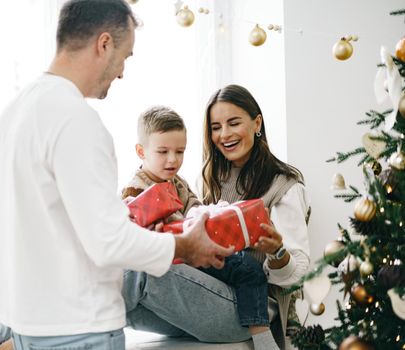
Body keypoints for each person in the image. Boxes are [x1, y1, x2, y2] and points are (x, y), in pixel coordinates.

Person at [0, 1, 233, 350]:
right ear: (104, 44)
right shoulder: (75, 119)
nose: (121, 72)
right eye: (126, 56)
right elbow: (108, 242)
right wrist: (185, 246)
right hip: (79, 329)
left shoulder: (15, 112)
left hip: (31, 325)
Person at [121, 85, 310, 348]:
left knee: (141, 268)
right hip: (213, 291)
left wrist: (277, 252)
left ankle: (74, 317)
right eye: (215, 127)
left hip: (252, 307)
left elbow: (298, 275)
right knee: (122, 288)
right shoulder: (210, 178)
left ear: (257, 123)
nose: (224, 134)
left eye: (233, 123)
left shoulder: (284, 186)